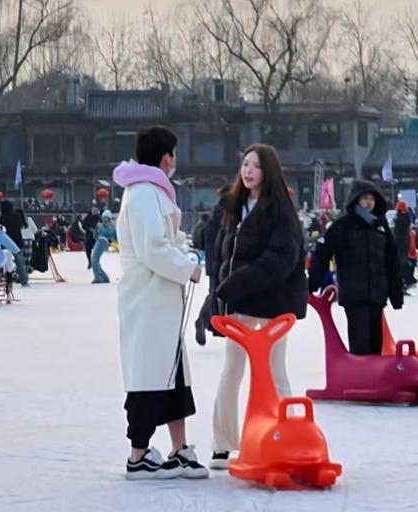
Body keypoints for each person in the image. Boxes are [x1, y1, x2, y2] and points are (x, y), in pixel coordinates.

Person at [113, 125, 207, 480]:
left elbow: (171, 238)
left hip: (162, 303)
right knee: (149, 377)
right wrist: (188, 268)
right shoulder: (143, 194)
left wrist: (186, 257)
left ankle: (179, 448)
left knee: (174, 376)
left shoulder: (153, 193)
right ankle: (138, 455)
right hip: (149, 300)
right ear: (166, 157)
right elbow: (154, 248)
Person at [209, 144, 307, 470]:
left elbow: (279, 260)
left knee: (275, 372)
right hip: (238, 305)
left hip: (272, 306)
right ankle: (223, 443)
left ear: (269, 172)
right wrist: (217, 298)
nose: (248, 171)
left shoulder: (281, 211)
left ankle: (290, 433)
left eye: (256, 166)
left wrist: (237, 284)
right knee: (231, 371)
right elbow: (221, 258)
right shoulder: (233, 208)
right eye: (245, 165)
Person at [308, 180, 404, 356]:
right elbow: (322, 254)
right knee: (360, 345)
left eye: (372, 199)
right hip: (354, 294)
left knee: (375, 344)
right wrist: (312, 283)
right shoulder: (343, 226)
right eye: (364, 198)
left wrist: (396, 293)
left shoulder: (381, 227)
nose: (369, 202)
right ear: (356, 200)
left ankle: (373, 380)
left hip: (377, 293)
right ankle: (360, 379)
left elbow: (392, 262)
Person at [194, 185, 230, 346]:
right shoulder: (228, 214)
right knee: (217, 293)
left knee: (214, 292)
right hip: (222, 261)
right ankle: (204, 320)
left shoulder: (214, 214)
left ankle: (208, 322)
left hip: (212, 262)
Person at [0, 199, 29, 285]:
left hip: (6, 242)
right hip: (17, 241)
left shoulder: (2, 218)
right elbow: (21, 226)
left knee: (5, 262)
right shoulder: (17, 216)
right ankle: (24, 280)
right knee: (20, 263)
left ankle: (8, 280)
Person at [90, 210, 116, 284]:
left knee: (94, 260)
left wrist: (98, 230)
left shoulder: (109, 227)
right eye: (104, 218)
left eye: (106, 219)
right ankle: (104, 277)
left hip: (102, 241)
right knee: (95, 260)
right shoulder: (105, 226)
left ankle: (99, 278)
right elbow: (95, 235)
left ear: (109, 219)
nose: (105, 220)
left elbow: (108, 234)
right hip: (100, 241)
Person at [394, 200, 415, 289]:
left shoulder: (399, 219)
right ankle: (405, 281)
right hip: (403, 244)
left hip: (402, 244)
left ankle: (405, 281)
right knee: (404, 263)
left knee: (403, 263)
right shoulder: (404, 219)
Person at [83, 205, 100, 269]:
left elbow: (102, 225)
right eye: (93, 211)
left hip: (96, 236)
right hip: (89, 235)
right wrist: (89, 229)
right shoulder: (87, 217)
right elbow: (83, 226)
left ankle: (95, 262)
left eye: (95, 211)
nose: (94, 212)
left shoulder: (98, 217)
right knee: (88, 248)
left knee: (97, 250)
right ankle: (90, 262)